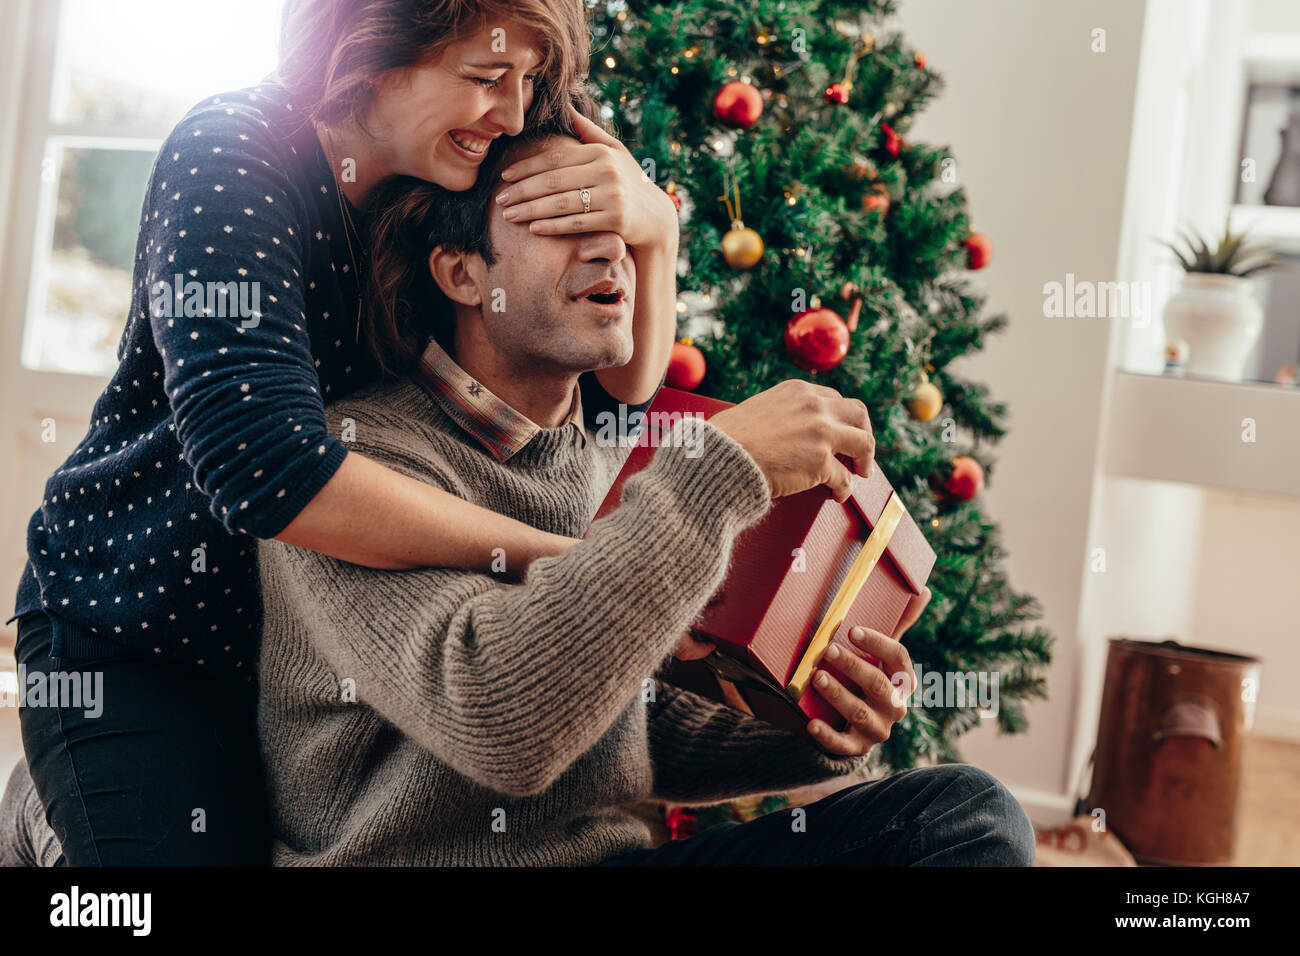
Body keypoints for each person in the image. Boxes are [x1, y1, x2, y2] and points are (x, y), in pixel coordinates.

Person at [252, 92, 1037, 867]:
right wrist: (717, 469)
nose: (608, 253)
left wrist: (821, 722)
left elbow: (639, 730)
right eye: (564, 223)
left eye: (619, 228)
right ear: (461, 273)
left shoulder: (599, 467)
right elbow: (506, 728)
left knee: (963, 819)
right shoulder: (354, 464)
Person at [6, 0, 679, 865]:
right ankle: (50, 819)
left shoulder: (458, 165)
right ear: (368, 50)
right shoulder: (236, 154)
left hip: (301, 661)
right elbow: (264, 466)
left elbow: (621, 386)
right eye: (485, 79)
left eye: (531, 81)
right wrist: (565, 564)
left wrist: (655, 232)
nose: (515, 113)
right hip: (137, 633)